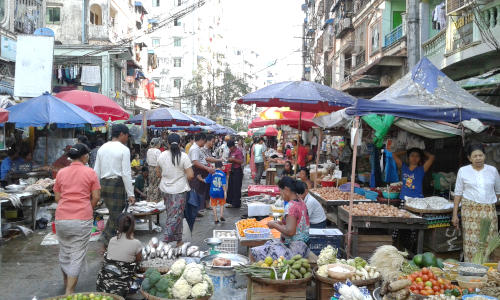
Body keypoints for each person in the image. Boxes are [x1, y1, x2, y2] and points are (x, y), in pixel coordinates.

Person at [54, 143, 100, 295]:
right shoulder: (90, 172)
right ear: (84, 156)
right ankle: (69, 291)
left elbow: (58, 197)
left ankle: (66, 283)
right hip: (81, 218)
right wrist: (87, 207)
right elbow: (96, 197)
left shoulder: (61, 172)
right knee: (77, 254)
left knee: (65, 251)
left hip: (61, 218)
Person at [452, 144, 500, 262]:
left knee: (489, 242)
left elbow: (498, 192)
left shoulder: (492, 171)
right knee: (472, 242)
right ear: (469, 158)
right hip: (469, 212)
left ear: (484, 156)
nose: (478, 158)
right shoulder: (463, 171)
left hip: (488, 211)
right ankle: (472, 270)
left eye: (480, 155)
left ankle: (488, 272)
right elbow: (458, 194)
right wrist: (454, 215)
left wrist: (488, 203)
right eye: (475, 156)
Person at [94, 124, 135, 245]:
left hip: (103, 183)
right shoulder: (124, 149)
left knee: (114, 215)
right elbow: (126, 173)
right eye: (127, 136)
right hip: (117, 184)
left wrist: (96, 188)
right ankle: (106, 242)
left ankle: (110, 242)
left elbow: (96, 170)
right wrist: (130, 193)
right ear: (122, 134)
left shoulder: (102, 148)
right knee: (117, 217)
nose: (127, 138)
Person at [251, 177, 310, 261]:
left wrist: (274, 225)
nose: (281, 195)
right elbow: (296, 225)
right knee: (268, 243)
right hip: (304, 246)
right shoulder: (300, 201)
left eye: (280, 192)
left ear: (286, 189)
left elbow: (290, 231)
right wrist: (280, 223)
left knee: (254, 252)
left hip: (294, 250)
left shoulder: (291, 207)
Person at [157, 133, 194, 245]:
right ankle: (164, 241)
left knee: (173, 215)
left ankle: (179, 240)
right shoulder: (184, 156)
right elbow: (191, 175)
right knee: (176, 216)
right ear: (180, 143)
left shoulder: (162, 155)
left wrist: (169, 176)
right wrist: (181, 178)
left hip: (165, 189)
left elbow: (158, 174)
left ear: (167, 143)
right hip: (179, 190)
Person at [96, 213, 142, 297]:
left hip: (102, 285)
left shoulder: (112, 240)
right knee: (140, 273)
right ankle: (130, 292)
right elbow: (139, 259)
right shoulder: (136, 243)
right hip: (120, 289)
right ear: (133, 227)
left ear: (117, 226)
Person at [188, 133, 214, 213]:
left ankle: (197, 210)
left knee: (200, 190)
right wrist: (206, 168)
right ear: (201, 140)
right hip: (196, 171)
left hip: (199, 170)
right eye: (204, 141)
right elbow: (195, 162)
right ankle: (195, 210)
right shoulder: (195, 148)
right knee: (196, 190)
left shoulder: (197, 148)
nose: (204, 143)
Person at [226, 140, 244, 208]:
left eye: (230, 147)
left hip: (237, 171)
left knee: (236, 187)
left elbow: (241, 161)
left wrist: (233, 160)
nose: (230, 149)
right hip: (232, 170)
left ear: (233, 146)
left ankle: (236, 203)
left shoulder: (238, 152)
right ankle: (231, 202)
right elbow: (229, 159)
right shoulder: (230, 152)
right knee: (231, 187)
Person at [146, 138, 162, 203]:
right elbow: (160, 161)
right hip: (157, 168)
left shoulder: (149, 150)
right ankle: (155, 200)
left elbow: (147, 160)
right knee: (157, 184)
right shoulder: (157, 151)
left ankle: (149, 199)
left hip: (150, 168)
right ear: (157, 144)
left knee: (151, 184)